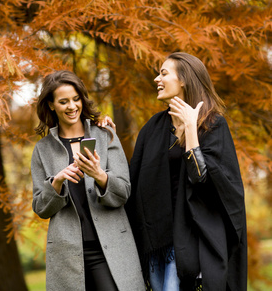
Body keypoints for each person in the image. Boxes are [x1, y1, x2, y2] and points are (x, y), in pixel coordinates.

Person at [125, 52, 247, 291]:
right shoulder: (153, 127)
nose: (156, 79)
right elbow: (135, 181)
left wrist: (190, 129)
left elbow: (202, 178)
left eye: (163, 73)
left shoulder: (212, 124)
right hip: (156, 243)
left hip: (190, 241)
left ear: (184, 80)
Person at [31, 70, 144, 291]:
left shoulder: (105, 135)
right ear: (52, 105)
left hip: (111, 250)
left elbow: (123, 192)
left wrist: (99, 175)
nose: (72, 106)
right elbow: (41, 208)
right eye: (63, 102)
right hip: (67, 255)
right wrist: (56, 183)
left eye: (76, 99)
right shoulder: (42, 150)